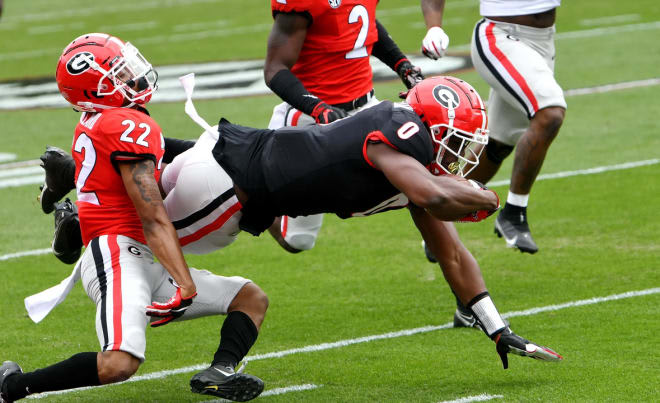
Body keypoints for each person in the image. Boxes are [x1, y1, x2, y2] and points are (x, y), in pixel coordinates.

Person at [33, 75, 563, 372]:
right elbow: (431, 192)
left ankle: (73, 178)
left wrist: (497, 327)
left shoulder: (412, 160)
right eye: (457, 139)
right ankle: (78, 219)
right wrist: (488, 199)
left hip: (231, 161)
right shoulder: (403, 136)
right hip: (230, 188)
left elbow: (451, 253)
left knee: (152, 196)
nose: (460, 153)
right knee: (138, 234)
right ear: (427, 124)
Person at [0, 33, 268, 403]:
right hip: (116, 253)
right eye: (119, 75)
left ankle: (219, 373)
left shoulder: (112, 121)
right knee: (118, 363)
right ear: (95, 89)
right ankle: (11, 386)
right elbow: (153, 216)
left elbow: (170, 153)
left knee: (249, 298)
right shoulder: (126, 126)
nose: (133, 79)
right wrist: (185, 283)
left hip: (138, 256)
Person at [263, 0, 426, 254]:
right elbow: (274, 69)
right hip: (311, 118)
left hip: (366, 108)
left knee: (419, 174)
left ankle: (449, 258)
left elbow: (363, 22)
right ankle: (245, 189)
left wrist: (401, 64)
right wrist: (318, 108)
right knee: (298, 240)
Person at [421, 0, 566, 254]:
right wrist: (434, 26)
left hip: (543, 41)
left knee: (498, 144)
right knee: (550, 112)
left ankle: (438, 218)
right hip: (501, 36)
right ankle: (513, 213)